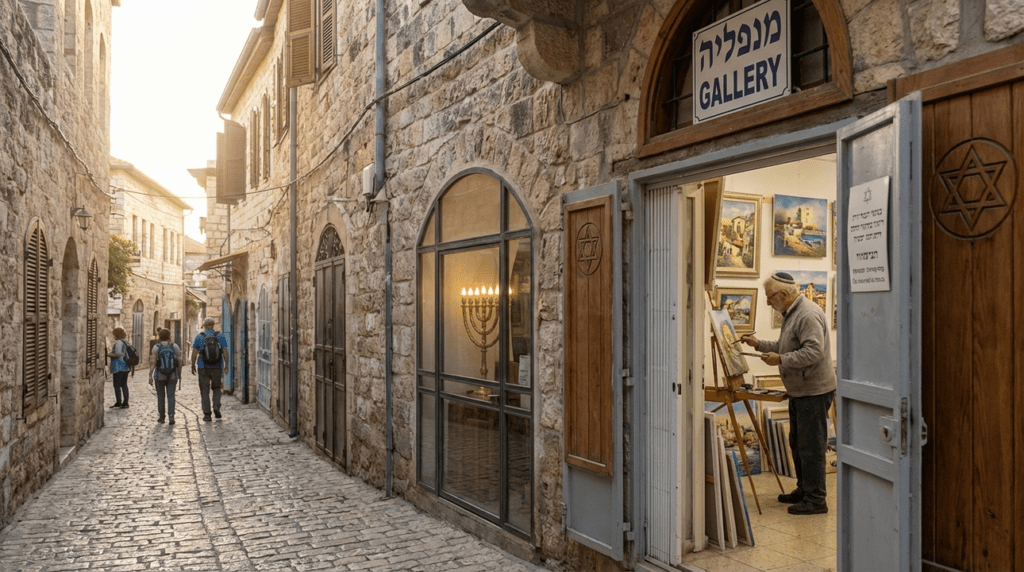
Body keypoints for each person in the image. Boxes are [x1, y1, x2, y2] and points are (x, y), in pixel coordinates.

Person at [740, 272, 836, 515]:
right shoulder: (793, 313)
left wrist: (780, 359)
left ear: (783, 294)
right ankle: (804, 489)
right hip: (802, 390)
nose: (767, 302)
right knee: (798, 443)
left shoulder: (807, 314)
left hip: (813, 391)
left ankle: (816, 499)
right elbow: (788, 346)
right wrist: (759, 344)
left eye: (770, 297)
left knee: (811, 447)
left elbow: (814, 352)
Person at [191, 317, 229, 422]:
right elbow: (225, 350)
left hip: (203, 367)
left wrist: (193, 365)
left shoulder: (199, 336)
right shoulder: (220, 335)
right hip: (217, 366)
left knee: (204, 390)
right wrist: (227, 364)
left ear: (204, 325)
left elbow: (194, 352)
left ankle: (207, 414)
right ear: (213, 325)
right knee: (216, 388)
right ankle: (216, 407)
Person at [150, 328, 181, 425]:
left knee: (160, 396)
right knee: (171, 395)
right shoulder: (174, 346)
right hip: (172, 375)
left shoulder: (156, 347)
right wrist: (179, 374)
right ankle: (171, 416)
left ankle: (162, 417)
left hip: (159, 375)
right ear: (169, 336)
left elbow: (153, 362)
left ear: (159, 336)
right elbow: (179, 361)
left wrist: (150, 375)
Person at [106, 327, 133, 408]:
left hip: (119, 366)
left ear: (116, 334)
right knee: (124, 384)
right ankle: (125, 402)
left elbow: (118, 354)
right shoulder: (125, 341)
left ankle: (119, 402)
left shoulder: (118, 342)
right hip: (126, 366)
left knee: (117, 385)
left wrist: (108, 354)